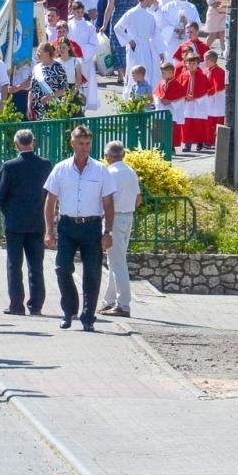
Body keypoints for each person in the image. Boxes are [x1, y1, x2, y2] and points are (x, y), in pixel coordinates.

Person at [44, 126, 114, 332]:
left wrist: (107, 231)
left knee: (92, 273)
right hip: (67, 225)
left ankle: (88, 316)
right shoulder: (61, 169)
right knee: (62, 268)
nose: (84, 148)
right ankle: (69, 310)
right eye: (80, 143)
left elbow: (109, 203)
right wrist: (49, 230)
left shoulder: (100, 170)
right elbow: (50, 202)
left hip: (92, 226)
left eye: (88, 144)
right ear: (72, 143)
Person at [0, 129, 51, 315]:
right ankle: (36, 305)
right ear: (33, 142)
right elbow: (50, 194)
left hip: (15, 223)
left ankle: (16, 305)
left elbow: (0, 194)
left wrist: (8, 212)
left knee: (14, 265)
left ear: (16, 144)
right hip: (37, 222)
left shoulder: (10, 166)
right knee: (36, 265)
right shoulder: (45, 165)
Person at [96, 142, 142, 318]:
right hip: (128, 216)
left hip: (113, 218)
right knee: (115, 261)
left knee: (117, 263)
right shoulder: (130, 172)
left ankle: (123, 304)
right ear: (123, 155)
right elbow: (138, 199)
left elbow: (105, 200)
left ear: (107, 156)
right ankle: (109, 301)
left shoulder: (109, 173)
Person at [115, 0, 163, 89]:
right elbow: (118, 27)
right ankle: (133, 96)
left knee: (147, 71)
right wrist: (129, 40)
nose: (152, 1)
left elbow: (155, 34)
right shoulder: (131, 13)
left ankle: (145, 95)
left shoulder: (150, 15)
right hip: (135, 47)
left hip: (147, 46)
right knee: (134, 69)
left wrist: (160, 51)